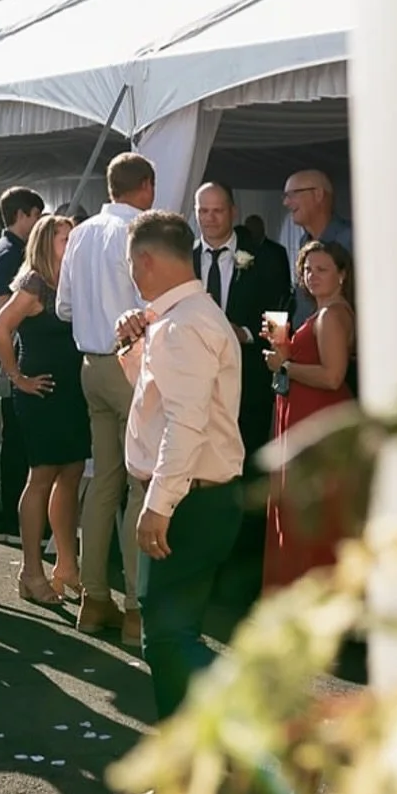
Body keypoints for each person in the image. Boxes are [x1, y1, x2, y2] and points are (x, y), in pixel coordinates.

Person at [117, 209, 244, 733]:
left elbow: (184, 423)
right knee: (175, 638)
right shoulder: (186, 316)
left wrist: (158, 503)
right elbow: (159, 404)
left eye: (129, 264)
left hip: (189, 500)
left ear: (144, 260)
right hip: (199, 494)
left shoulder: (182, 324)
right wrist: (135, 348)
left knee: (168, 640)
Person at [56, 151, 154, 645]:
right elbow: (151, 304)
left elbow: (63, 305)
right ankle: (136, 607)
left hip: (90, 365)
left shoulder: (81, 232)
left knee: (103, 481)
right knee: (138, 481)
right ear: (147, 186)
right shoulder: (140, 230)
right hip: (129, 361)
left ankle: (95, 600)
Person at [0, 213, 89, 609]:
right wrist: (16, 377)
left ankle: (67, 566)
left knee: (72, 472)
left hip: (72, 392)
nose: (71, 246)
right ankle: (31, 571)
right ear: (46, 244)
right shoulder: (35, 283)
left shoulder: (74, 283)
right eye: (65, 239)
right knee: (42, 475)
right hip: (41, 391)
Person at [263, 239, 357, 589]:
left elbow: (333, 376)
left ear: (342, 275)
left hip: (317, 416)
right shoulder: (326, 313)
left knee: (312, 513)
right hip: (307, 413)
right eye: (307, 268)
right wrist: (287, 351)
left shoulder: (332, 314)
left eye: (322, 269)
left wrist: (284, 364)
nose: (312, 275)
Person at [192, 181, 293, 468]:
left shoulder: (267, 258)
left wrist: (246, 334)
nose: (209, 218)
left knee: (252, 464)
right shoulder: (184, 260)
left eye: (217, 211)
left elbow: (279, 316)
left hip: (249, 380)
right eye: (203, 211)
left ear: (233, 212)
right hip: (198, 384)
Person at [0, 188, 46, 542]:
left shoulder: (5, 250)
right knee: (15, 440)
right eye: (38, 216)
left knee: (15, 439)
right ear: (25, 214)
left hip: (11, 356)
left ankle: (2, 518)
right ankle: (7, 521)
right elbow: (6, 311)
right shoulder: (9, 255)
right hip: (12, 357)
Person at [281, 171, 353, 327]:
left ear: (318, 194)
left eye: (292, 194)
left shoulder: (352, 240)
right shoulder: (303, 242)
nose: (286, 202)